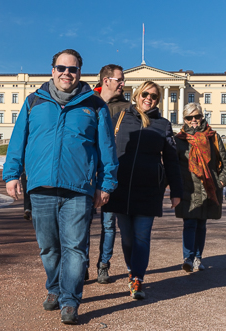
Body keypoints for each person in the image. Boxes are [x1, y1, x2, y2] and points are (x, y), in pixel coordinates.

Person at [2, 49, 118, 325]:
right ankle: (54, 288)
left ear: (80, 73)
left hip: (78, 188)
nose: (67, 73)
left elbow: (107, 149)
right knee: (49, 248)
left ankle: (70, 299)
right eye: (62, 68)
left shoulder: (95, 105)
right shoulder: (34, 102)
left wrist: (107, 183)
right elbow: (19, 139)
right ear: (52, 70)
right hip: (41, 186)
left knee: (75, 248)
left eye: (73, 69)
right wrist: (12, 174)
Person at [102, 81, 183, 300]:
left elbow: (172, 161)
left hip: (148, 190)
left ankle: (137, 277)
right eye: (145, 94)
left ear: (158, 100)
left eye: (154, 96)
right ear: (137, 95)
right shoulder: (119, 118)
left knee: (141, 236)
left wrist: (176, 190)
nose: (149, 98)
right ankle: (132, 270)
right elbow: (104, 149)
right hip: (121, 188)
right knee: (127, 237)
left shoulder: (163, 124)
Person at [174, 103, 226, 273]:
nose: (193, 120)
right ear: (184, 119)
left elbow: (225, 164)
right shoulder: (179, 140)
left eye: (196, 116)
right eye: (189, 117)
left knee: (201, 225)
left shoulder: (213, 137)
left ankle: (198, 257)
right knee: (189, 223)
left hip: (208, 188)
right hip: (188, 189)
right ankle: (188, 258)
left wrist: (220, 182)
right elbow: (173, 166)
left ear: (202, 117)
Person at [92, 64, 131, 284]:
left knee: (108, 224)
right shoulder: (87, 101)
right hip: (87, 172)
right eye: (119, 80)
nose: (123, 83)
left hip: (111, 173)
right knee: (81, 224)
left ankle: (103, 265)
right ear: (106, 80)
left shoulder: (127, 107)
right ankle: (81, 264)